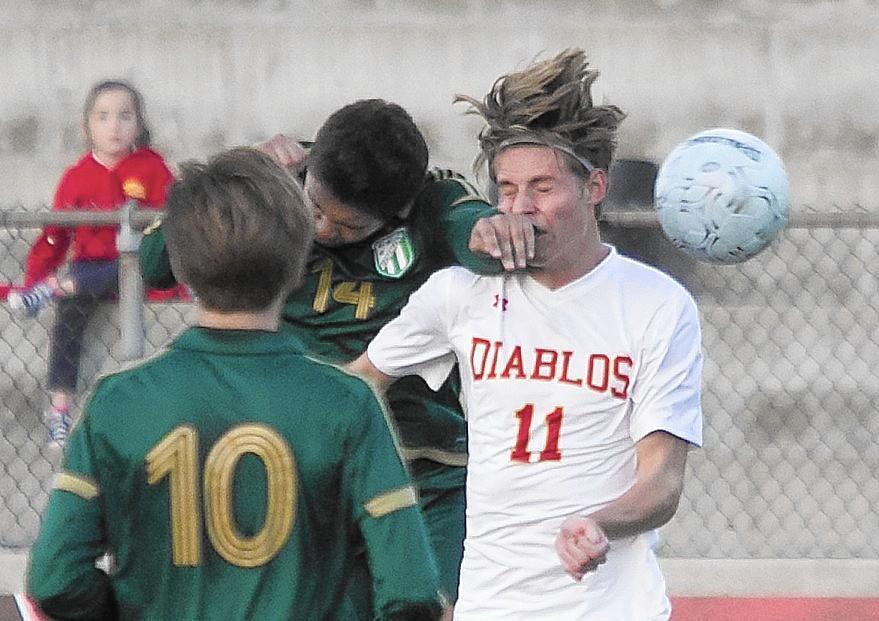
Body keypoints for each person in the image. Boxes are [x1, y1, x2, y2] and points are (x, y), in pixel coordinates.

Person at [349, 49, 704, 620]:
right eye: (507, 190)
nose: (520, 208)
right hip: (492, 606)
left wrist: (601, 524)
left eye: (541, 188)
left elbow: (662, 479)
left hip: (612, 608)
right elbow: (358, 385)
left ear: (593, 188)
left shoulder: (656, 305)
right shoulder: (460, 294)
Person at [139, 98, 535, 604]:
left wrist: (490, 230)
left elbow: (469, 226)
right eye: (316, 208)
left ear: (399, 209)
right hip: (297, 461)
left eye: (346, 227)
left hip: (419, 467)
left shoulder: (432, 203)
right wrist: (237, 172)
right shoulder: (276, 181)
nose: (323, 230)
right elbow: (154, 264)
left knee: (429, 607)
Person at [27, 147, 446, 620]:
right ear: (297, 262)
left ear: (181, 269)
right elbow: (411, 591)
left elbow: (55, 579)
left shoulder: (118, 402)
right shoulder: (346, 402)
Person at [8, 79, 174, 448]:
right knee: (68, 318)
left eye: (124, 116)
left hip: (141, 265)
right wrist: (33, 277)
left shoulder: (152, 169)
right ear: (87, 128)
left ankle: (51, 290)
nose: (114, 126)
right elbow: (55, 236)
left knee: (127, 264)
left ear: (138, 125)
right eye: (103, 117)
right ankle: (60, 409)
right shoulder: (77, 177)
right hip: (87, 270)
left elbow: (172, 222)